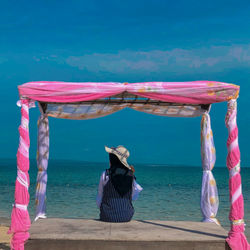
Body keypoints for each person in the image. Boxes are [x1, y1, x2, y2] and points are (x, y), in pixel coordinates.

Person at [96, 146, 143, 222]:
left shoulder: (106, 174)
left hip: (107, 216)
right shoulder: (131, 175)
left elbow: (99, 197)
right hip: (126, 216)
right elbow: (134, 197)